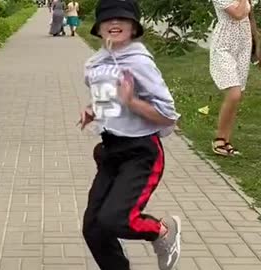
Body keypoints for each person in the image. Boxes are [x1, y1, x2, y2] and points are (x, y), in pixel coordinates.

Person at [78, 0, 182, 270]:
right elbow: (108, 100)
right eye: (107, 20)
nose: (114, 23)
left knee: (117, 220)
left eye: (122, 19)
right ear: (98, 29)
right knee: (94, 228)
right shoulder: (95, 63)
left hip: (141, 152)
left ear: (134, 28)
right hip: (111, 151)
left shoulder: (139, 63)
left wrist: (133, 103)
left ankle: (163, 232)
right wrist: (93, 110)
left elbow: (169, 114)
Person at [210, 0, 255, 156]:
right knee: (234, 92)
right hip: (224, 45)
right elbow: (237, 14)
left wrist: (257, 42)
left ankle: (227, 140)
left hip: (243, 44)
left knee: (238, 95)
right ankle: (219, 138)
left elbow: (248, 16)